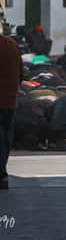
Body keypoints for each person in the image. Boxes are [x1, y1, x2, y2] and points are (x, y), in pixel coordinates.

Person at [0, 31, 23, 189]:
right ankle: (2, 174)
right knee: (5, 137)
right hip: (9, 100)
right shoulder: (11, 45)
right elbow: (21, 73)